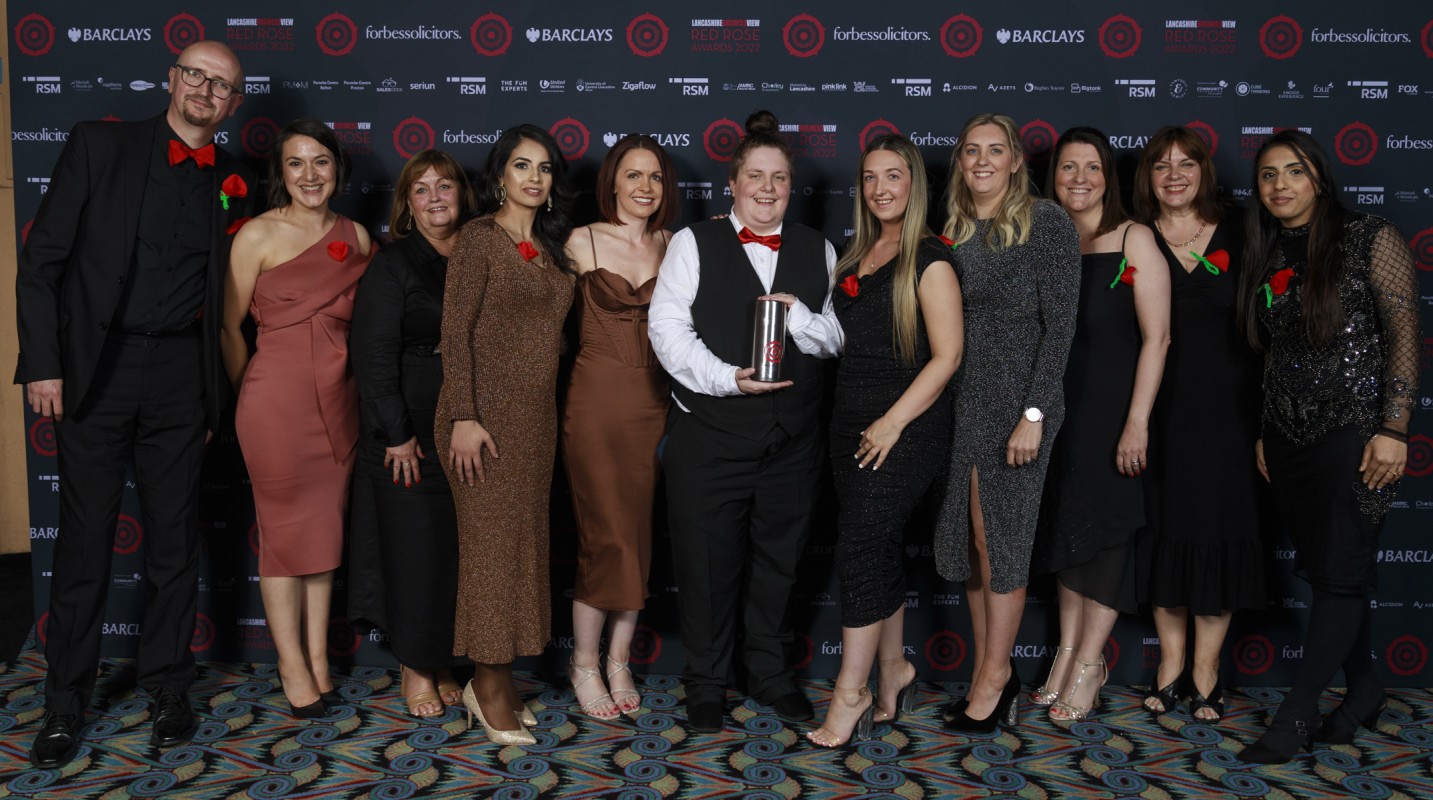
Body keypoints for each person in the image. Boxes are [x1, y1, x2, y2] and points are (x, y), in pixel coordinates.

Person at [15, 41, 254, 768]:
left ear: (234, 104)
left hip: (183, 375)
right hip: (98, 369)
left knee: (175, 544)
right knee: (83, 544)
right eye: (196, 75)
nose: (206, 90)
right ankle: (65, 703)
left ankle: (169, 688)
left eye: (222, 85)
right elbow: (42, 263)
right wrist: (44, 365)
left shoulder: (237, 179)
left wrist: (217, 393)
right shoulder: (100, 145)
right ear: (172, 80)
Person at [649, 110, 844, 733]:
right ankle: (706, 682)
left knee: (780, 567)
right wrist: (727, 377)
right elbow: (666, 331)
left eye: (779, 178)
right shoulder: (692, 243)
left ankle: (769, 674)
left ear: (791, 187)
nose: (767, 188)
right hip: (709, 437)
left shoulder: (819, 248)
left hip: (793, 443)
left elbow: (834, 338)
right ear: (732, 184)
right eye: (755, 176)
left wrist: (800, 317)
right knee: (706, 568)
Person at [1235, 130, 1420, 763]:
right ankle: (1364, 689)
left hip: (1357, 434)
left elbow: (1403, 333)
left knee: (1342, 570)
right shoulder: (1266, 249)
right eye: (1267, 175)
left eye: (1294, 171)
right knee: (1332, 571)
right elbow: (1272, 353)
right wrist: (1266, 429)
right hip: (1288, 437)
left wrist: (1395, 428)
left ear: (1319, 177)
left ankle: (1295, 714)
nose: (1280, 184)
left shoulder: (1370, 236)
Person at [806, 135, 962, 747]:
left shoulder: (930, 257)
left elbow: (947, 356)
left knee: (861, 547)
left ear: (914, 183)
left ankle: (852, 693)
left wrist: (894, 423)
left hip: (906, 427)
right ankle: (895, 668)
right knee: (878, 547)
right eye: (870, 177)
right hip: (850, 425)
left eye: (893, 175)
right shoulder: (857, 254)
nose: (880, 189)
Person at [932, 113, 1080, 734]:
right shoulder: (953, 229)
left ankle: (997, 679)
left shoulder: (1047, 223)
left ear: (1017, 161)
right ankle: (985, 674)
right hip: (962, 403)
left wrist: (1035, 414)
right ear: (960, 162)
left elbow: (1061, 326)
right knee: (971, 544)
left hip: (1019, 405)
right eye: (972, 151)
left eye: (996, 150)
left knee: (1002, 542)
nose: (983, 161)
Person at [223, 118, 373, 719]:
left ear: (338, 167)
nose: (310, 175)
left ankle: (317, 659)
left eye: (321, 161)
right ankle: (290, 665)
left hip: (341, 402)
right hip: (275, 406)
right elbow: (229, 327)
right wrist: (252, 392)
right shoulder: (257, 234)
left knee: (323, 531)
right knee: (285, 537)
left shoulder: (358, 235)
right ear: (280, 173)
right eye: (296, 163)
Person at [435, 125, 575, 746]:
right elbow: (454, 332)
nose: (534, 177)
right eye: (522, 165)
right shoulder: (478, 239)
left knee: (520, 551)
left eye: (544, 168)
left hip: (534, 424)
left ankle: (504, 679)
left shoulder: (551, 247)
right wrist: (464, 416)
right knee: (491, 556)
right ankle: (487, 686)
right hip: (481, 422)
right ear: (500, 175)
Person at [1029, 128, 1170, 721]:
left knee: (1108, 535)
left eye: (1091, 167)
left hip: (1113, 414)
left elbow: (1157, 338)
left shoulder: (1134, 237)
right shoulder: (1043, 238)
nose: (1079, 178)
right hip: (1054, 413)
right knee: (1068, 531)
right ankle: (1066, 654)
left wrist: (1137, 422)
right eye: (1068, 167)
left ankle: (1091, 663)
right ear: (1053, 176)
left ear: (1108, 176)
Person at [1134, 127, 1265, 722]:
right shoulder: (1136, 236)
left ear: (1204, 172)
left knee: (1218, 531)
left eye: (1186, 164)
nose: (1174, 175)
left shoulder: (1243, 230)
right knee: (1167, 528)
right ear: (1148, 177)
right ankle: (1171, 664)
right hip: (1157, 411)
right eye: (1161, 165)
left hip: (1231, 413)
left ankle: (1207, 669)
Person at [348, 151, 476, 718]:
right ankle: (415, 664)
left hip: (469, 429)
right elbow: (373, 355)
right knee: (415, 552)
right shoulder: (393, 264)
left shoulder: (479, 256)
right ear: (406, 205)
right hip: (409, 435)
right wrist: (396, 434)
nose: (434, 197)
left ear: (461, 194)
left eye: (444, 186)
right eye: (420, 190)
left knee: (454, 552)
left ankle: (442, 658)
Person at [560, 135, 676, 720]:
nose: (645, 187)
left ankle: (619, 659)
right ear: (612, 181)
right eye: (633, 175)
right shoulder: (580, 241)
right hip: (595, 405)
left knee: (638, 533)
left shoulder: (674, 244)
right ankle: (583, 661)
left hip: (656, 404)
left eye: (654, 176)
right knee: (604, 535)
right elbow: (540, 324)